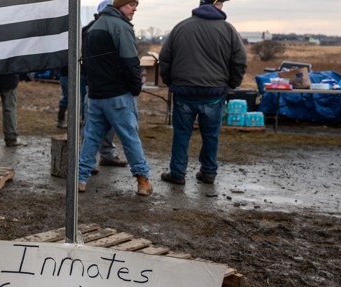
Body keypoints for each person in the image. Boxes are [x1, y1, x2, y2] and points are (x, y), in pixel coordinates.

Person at [158, 0, 246, 185]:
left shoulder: (180, 27)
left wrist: (170, 81)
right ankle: (208, 172)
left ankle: (177, 173)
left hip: (184, 92)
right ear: (215, 4)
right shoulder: (228, 30)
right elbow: (239, 61)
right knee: (211, 135)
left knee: (181, 134)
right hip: (214, 93)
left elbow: (165, 58)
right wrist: (231, 84)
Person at [78, 0, 151, 195]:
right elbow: (130, 61)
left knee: (90, 139)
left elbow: (85, 63)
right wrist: (136, 87)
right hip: (118, 95)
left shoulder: (91, 28)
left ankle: (80, 179)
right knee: (130, 138)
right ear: (122, 5)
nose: (135, 8)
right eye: (132, 5)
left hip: (95, 94)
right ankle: (143, 181)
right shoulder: (121, 26)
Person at [57, 0, 128, 170]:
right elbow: (81, 57)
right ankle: (87, 159)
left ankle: (106, 154)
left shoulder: (115, 28)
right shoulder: (90, 30)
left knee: (107, 121)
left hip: (109, 84)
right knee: (90, 120)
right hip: (95, 83)